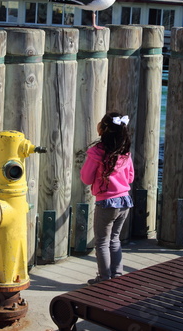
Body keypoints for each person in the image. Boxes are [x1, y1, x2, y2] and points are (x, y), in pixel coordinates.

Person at [80, 111, 134, 284]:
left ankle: (104, 279)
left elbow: (86, 178)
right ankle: (117, 275)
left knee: (102, 242)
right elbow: (131, 177)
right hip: (124, 201)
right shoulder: (124, 152)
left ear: (103, 129)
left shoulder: (97, 152)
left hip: (106, 202)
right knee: (114, 239)